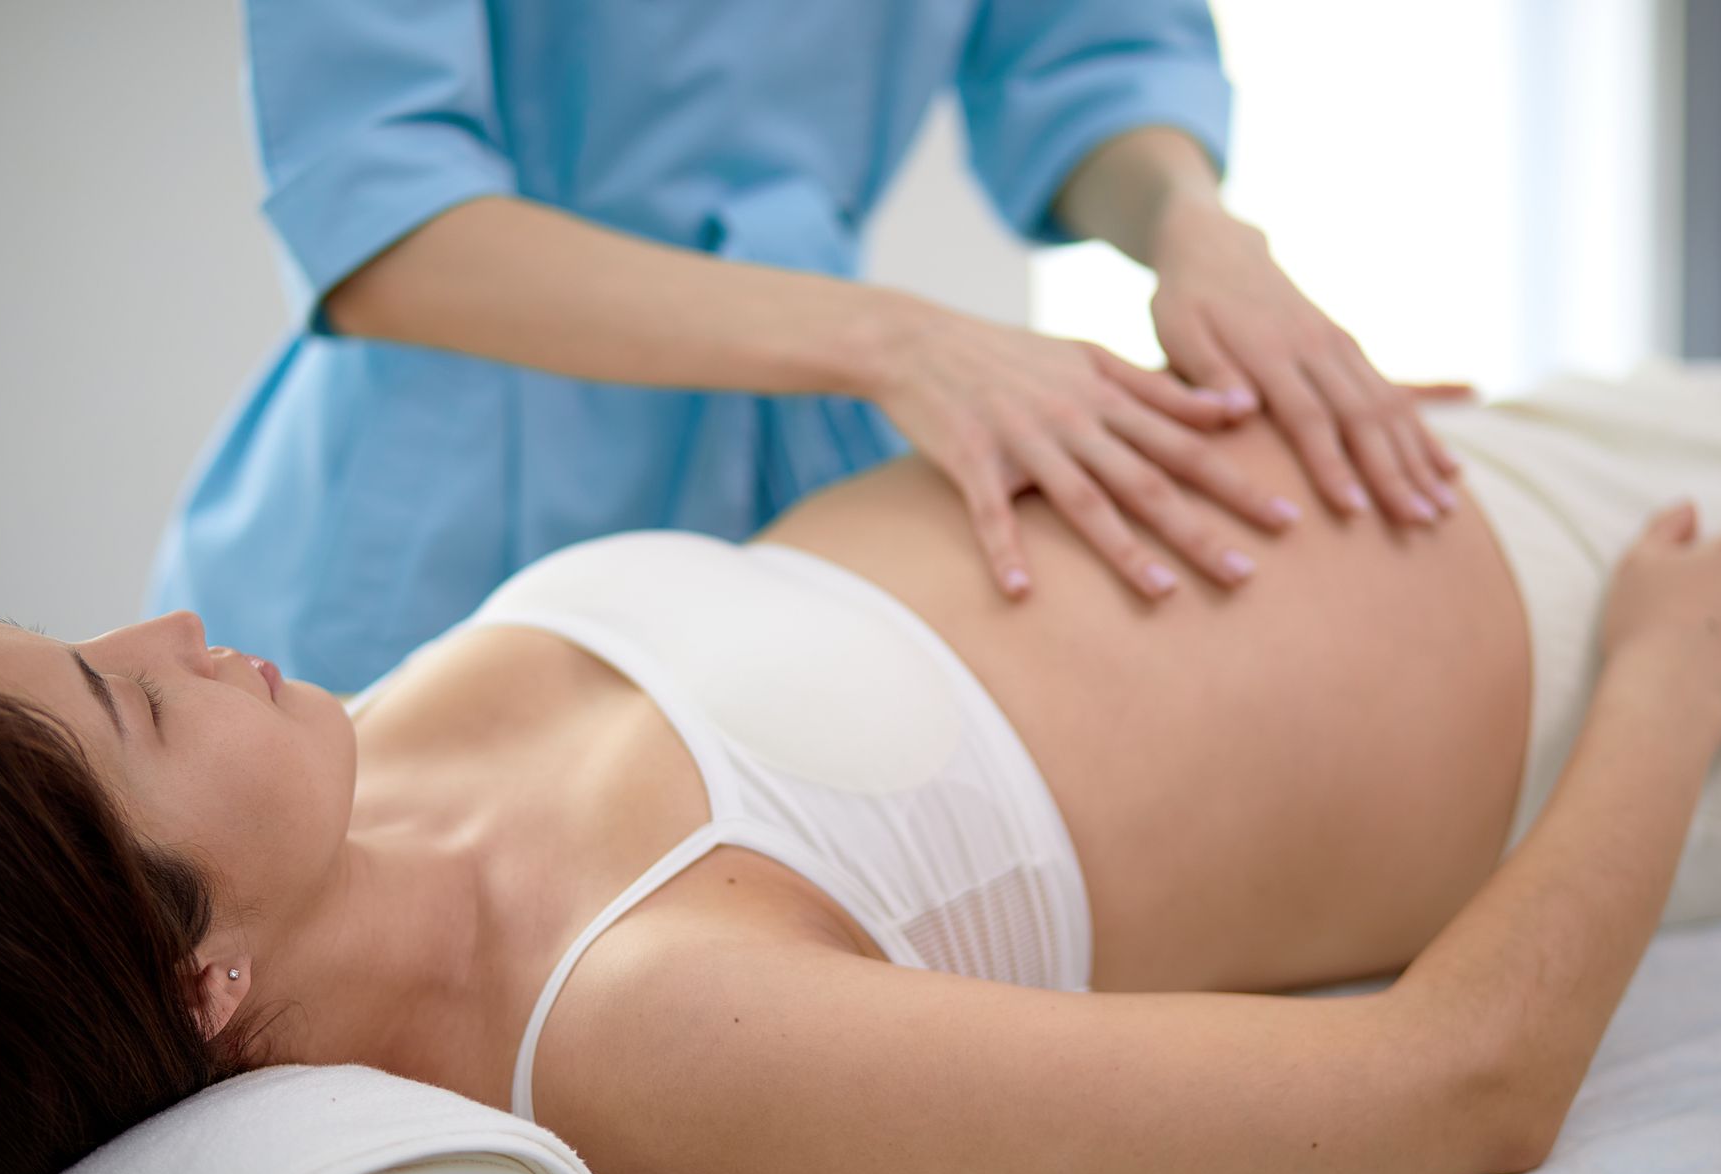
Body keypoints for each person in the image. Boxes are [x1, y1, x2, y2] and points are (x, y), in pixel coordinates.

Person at [0, 367, 1721, 1174]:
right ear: (197, 985)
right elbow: (1461, 1085)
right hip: (1680, 639)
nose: (165, 628)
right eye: (124, 701)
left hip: (1476, 464)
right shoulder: (656, 1022)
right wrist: (1683, 678)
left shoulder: (358, 778)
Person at [144, 1, 1466, 694]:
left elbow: (1091, 54)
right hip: (441, 514)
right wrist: (897, 341)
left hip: (801, 483)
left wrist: (1195, 228)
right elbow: (383, 217)